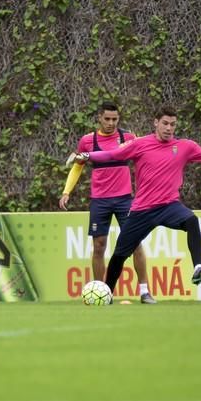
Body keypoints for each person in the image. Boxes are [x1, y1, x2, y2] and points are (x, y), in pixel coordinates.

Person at [68, 105, 201, 295]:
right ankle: (107, 293)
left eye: (173, 124)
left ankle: (198, 267)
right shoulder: (139, 144)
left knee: (192, 220)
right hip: (142, 210)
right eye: (165, 123)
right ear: (155, 123)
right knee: (119, 256)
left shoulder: (185, 147)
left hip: (169, 206)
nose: (169, 128)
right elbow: (111, 155)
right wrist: (85, 156)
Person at [60, 101, 155, 304]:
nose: (111, 123)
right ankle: (101, 293)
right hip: (100, 201)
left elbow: (143, 160)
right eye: (107, 119)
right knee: (99, 246)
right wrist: (67, 191)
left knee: (135, 243)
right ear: (99, 118)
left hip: (124, 200)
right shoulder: (87, 141)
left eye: (115, 119)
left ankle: (145, 292)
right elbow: (77, 166)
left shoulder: (128, 138)